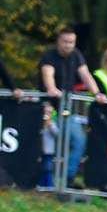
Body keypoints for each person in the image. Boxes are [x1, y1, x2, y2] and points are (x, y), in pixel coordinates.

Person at [39, 28, 97, 185]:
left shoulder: (76, 55)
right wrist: (51, 88)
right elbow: (48, 73)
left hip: (67, 111)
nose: (68, 45)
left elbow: (85, 75)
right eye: (65, 42)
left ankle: (68, 177)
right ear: (58, 41)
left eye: (71, 42)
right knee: (48, 145)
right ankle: (44, 181)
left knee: (79, 141)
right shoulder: (49, 55)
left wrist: (97, 93)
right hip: (49, 109)